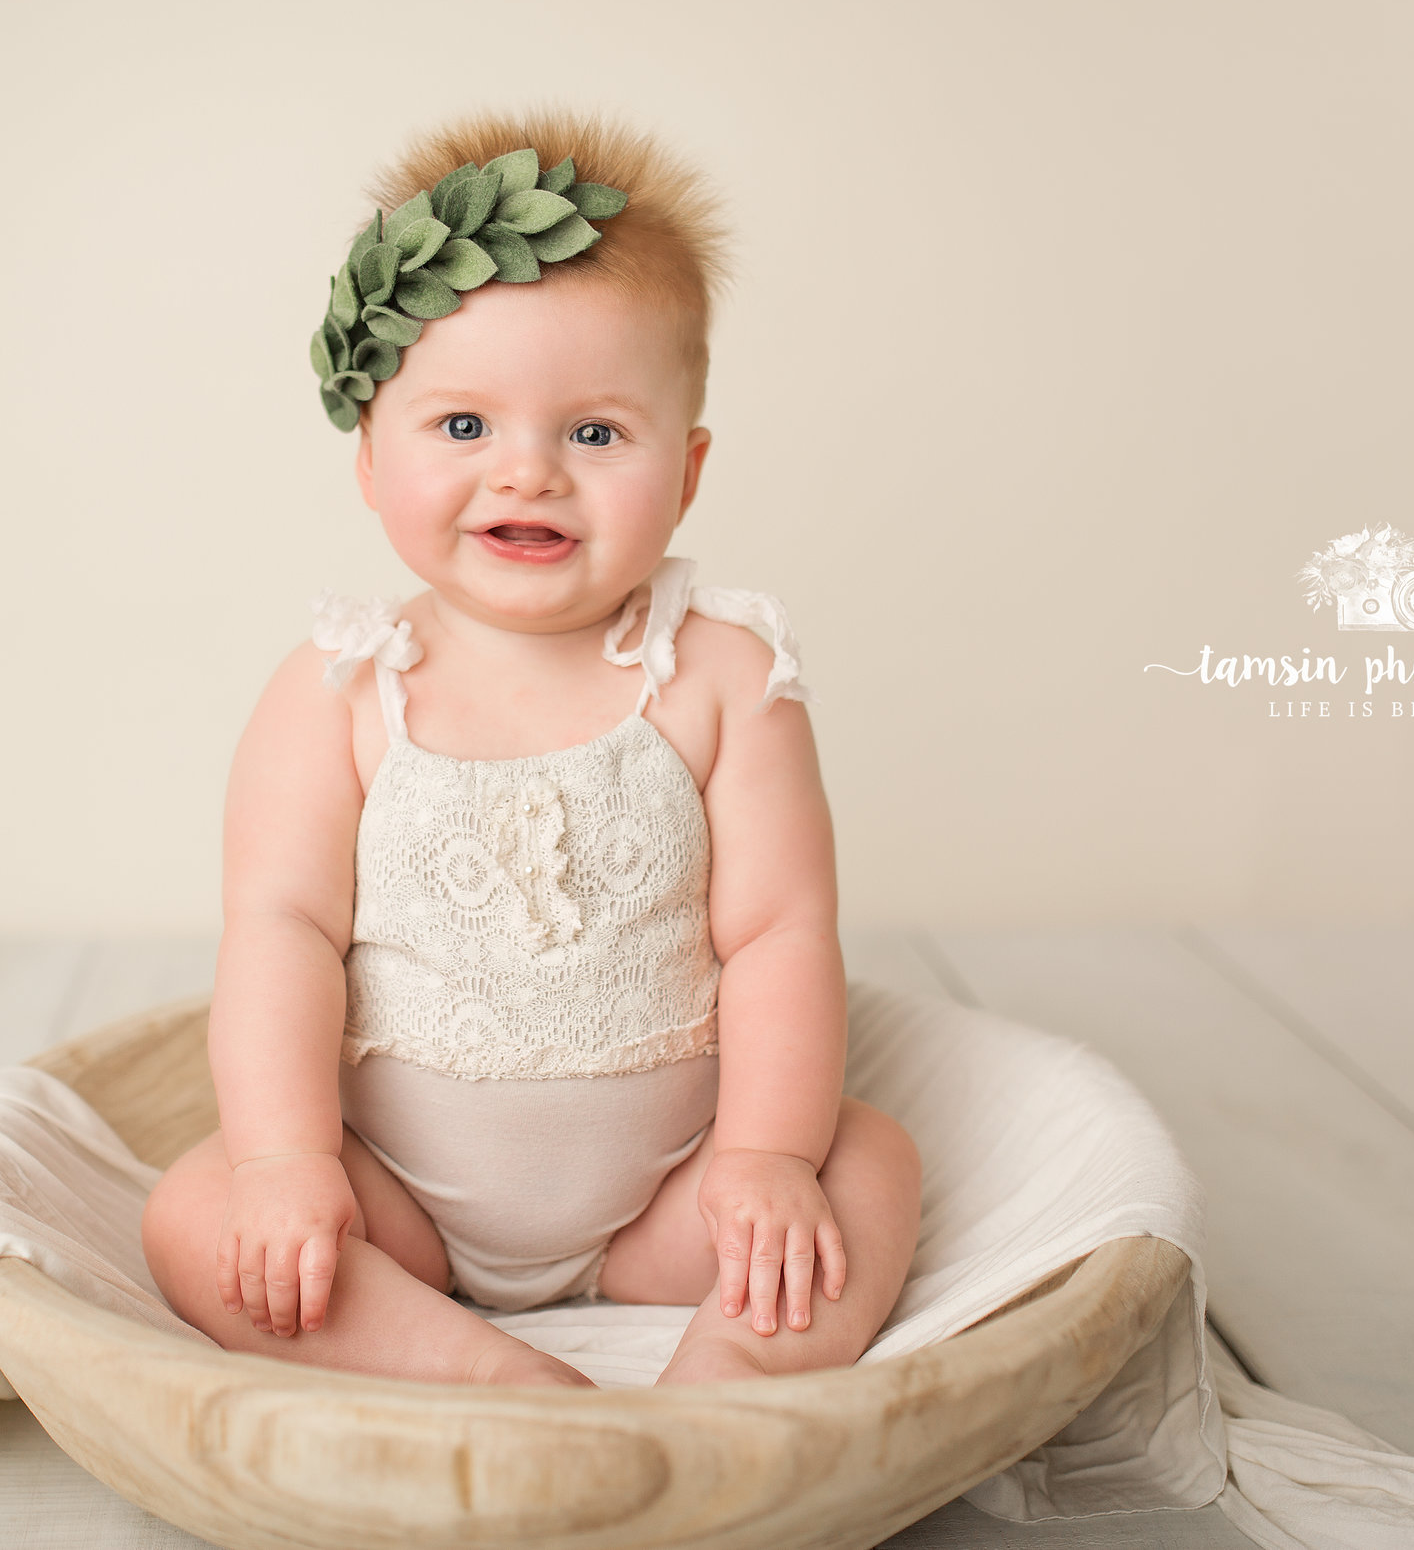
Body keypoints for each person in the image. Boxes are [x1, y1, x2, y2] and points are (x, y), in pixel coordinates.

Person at [141, 113, 921, 1387]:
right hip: (397, 1201)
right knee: (195, 1204)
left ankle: (717, 1400)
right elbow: (279, 929)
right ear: (369, 456)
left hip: (670, 1199)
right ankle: (488, 1378)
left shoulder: (724, 677)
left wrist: (764, 1161)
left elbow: (779, 934)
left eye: (596, 434)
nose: (528, 474)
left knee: (872, 1157)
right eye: (462, 428)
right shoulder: (340, 688)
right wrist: (289, 1164)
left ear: (688, 471)